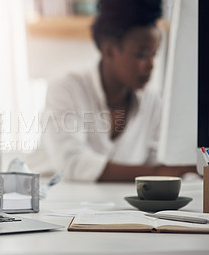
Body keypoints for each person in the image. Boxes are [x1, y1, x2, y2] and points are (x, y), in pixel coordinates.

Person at [29, 0, 196, 182]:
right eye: (141, 55)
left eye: (153, 54)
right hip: (57, 202)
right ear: (109, 51)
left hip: (120, 207)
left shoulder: (153, 102)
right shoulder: (66, 90)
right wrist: (158, 172)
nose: (150, 65)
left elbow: (157, 164)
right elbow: (73, 163)